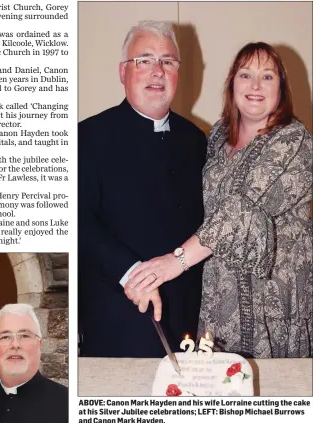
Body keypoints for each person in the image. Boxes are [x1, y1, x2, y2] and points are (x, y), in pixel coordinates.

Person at [126, 42, 313, 358]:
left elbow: (241, 210)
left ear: (281, 87)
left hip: (274, 304)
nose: (255, 85)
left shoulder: (295, 140)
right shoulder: (217, 136)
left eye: (267, 76)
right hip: (218, 300)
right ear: (232, 84)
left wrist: (174, 262)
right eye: (245, 75)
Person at [78, 20, 207, 357]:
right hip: (116, 318)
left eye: (168, 62)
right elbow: (76, 221)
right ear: (123, 71)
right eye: (145, 60)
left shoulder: (197, 140)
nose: (157, 71)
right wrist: (133, 272)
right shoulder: (87, 137)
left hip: (188, 321)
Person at [0, 304, 68, 423]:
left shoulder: (68, 404)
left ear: (39, 345)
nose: (15, 344)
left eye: (24, 336)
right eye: (5, 337)